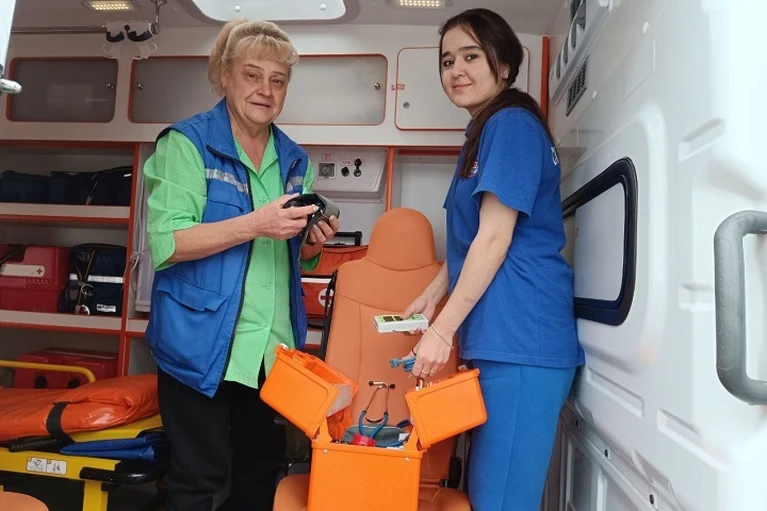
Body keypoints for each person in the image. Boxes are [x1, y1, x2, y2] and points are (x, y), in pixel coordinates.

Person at [142, 19, 340, 511]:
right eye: (252, 75)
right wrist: (257, 223)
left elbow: (286, 250)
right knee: (200, 481)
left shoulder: (294, 159)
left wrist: (310, 244)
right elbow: (167, 243)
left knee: (259, 474)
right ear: (224, 76)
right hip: (200, 345)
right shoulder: (186, 144)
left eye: (278, 80)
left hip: (271, 351)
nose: (265, 90)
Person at [400, 8, 585, 510]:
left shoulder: (511, 126)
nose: (456, 70)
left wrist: (442, 332)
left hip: (522, 339)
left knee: (499, 501)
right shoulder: (485, 132)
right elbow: (474, 239)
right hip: (505, 338)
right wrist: (431, 298)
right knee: (489, 493)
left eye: (470, 56)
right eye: (447, 61)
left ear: (503, 65)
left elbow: (495, 238)